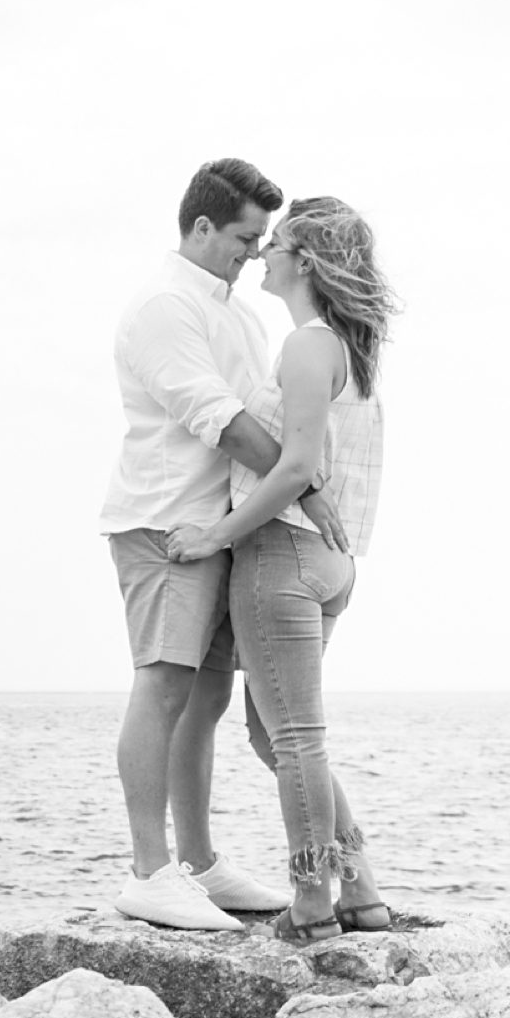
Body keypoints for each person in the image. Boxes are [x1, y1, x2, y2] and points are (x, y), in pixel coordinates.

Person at [98, 159, 343, 931]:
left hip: (221, 528)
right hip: (167, 520)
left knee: (203, 698)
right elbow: (222, 419)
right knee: (164, 683)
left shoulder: (237, 313)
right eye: (244, 236)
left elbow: (265, 415)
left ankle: (199, 865)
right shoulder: (165, 306)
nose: (253, 250)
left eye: (261, 239)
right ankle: (149, 870)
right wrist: (305, 485)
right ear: (202, 226)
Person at [167, 196, 395, 943]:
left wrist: (214, 535)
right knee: (277, 738)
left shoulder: (307, 347)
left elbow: (296, 466)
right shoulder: (351, 350)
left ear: (306, 260)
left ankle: (312, 904)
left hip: (283, 555)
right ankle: (357, 885)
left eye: (278, 244)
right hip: (333, 564)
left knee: (294, 737)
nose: (264, 253)